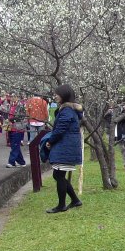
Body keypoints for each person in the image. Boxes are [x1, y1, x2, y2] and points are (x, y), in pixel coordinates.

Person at [42, 85, 84, 213]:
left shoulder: (66, 111)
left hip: (65, 147)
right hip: (67, 146)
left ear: (64, 95)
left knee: (58, 175)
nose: (55, 96)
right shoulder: (69, 110)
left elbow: (60, 129)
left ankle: (61, 205)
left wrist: (50, 141)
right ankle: (75, 200)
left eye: (57, 94)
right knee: (59, 175)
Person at [5, 97, 28, 168]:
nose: (12, 99)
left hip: (18, 128)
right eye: (11, 98)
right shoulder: (10, 106)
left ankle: (11, 162)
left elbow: (21, 117)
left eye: (14, 97)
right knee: (14, 145)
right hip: (11, 128)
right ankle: (21, 162)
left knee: (15, 145)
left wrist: (11, 119)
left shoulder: (21, 107)